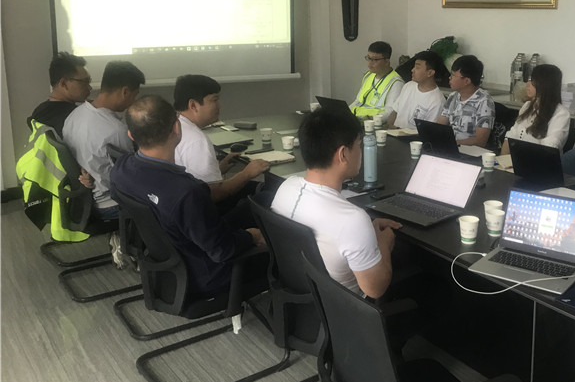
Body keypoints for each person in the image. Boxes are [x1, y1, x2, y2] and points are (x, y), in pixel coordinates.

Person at [110, 94, 266, 297]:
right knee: (276, 245)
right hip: (205, 275)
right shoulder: (186, 192)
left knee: (253, 203)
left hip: (167, 262)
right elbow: (222, 251)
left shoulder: (121, 169)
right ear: (177, 128)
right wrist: (252, 235)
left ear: (131, 135)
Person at [271, 108, 400, 299]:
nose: (360, 151)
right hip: (342, 307)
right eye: (358, 145)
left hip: (300, 295)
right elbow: (375, 290)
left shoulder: (286, 188)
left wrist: (368, 233)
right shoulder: (352, 220)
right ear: (343, 154)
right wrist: (384, 243)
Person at [62, 61, 145, 223]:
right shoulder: (117, 131)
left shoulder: (74, 115)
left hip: (83, 200)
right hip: (110, 204)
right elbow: (131, 179)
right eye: (134, 96)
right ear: (125, 92)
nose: (133, 101)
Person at [173, 74, 269, 206]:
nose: (219, 106)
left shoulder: (176, 125)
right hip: (203, 212)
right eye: (214, 100)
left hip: (181, 203)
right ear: (193, 105)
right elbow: (214, 194)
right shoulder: (197, 140)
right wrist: (246, 173)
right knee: (266, 196)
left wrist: (217, 169)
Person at [500, 63, 571, 154]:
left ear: (545, 85)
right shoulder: (527, 106)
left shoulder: (561, 114)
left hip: (540, 162)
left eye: (532, 81)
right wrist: (501, 160)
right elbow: (511, 137)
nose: (527, 84)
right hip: (516, 160)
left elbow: (549, 149)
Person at [436, 54, 495, 148]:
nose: (449, 78)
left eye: (453, 75)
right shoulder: (453, 96)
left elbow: (480, 141)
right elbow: (439, 125)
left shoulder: (484, 101)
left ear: (467, 81)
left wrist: (453, 143)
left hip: (470, 151)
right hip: (451, 147)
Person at [28, 51, 92, 137]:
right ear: (63, 83)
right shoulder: (74, 117)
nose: (89, 87)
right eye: (84, 82)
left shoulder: (40, 111)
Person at [385, 50, 446, 130]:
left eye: (417, 67)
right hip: (393, 133)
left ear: (430, 73)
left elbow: (429, 131)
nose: (412, 70)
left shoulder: (437, 101)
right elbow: (395, 111)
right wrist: (389, 126)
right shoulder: (409, 86)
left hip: (412, 137)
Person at [350, 41, 404, 117]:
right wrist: (345, 113)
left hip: (373, 122)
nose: (370, 63)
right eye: (368, 58)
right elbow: (358, 101)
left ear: (386, 62)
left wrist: (370, 120)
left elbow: (390, 111)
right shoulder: (368, 75)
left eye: (374, 60)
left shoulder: (396, 82)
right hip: (355, 119)